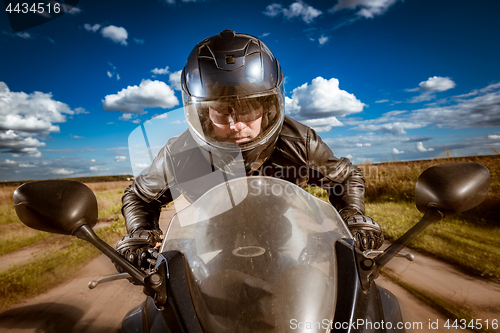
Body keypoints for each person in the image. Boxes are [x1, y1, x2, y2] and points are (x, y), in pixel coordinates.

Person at [116, 30, 384, 272]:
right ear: (202, 113)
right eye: (221, 109)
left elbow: (346, 178)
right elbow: (140, 196)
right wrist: (140, 235)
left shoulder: (299, 142)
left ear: (268, 106)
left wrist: (353, 216)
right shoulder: (179, 153)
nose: (236, 124)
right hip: (207, 249)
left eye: (247, 107)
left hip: (285, 240)